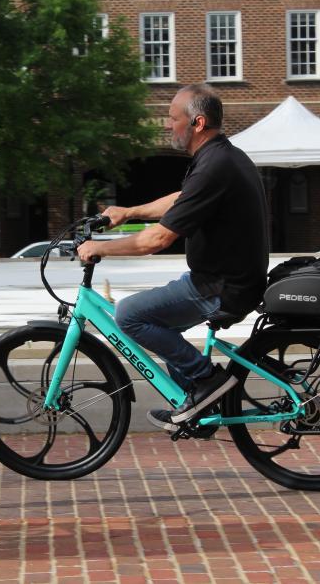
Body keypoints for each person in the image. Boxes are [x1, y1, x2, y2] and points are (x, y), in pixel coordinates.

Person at [77, 83, 269, 432]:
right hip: (222, 279)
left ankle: (206, 381)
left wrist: (99, 247)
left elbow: (159, 239)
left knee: (131, 314)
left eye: (172, 118)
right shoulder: (221, 157)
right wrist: (128, 211)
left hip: (221, 286)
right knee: (158, 323)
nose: (167, 125)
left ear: (197, 123)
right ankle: (198, 408)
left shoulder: (214, 165)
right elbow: (182, 199)